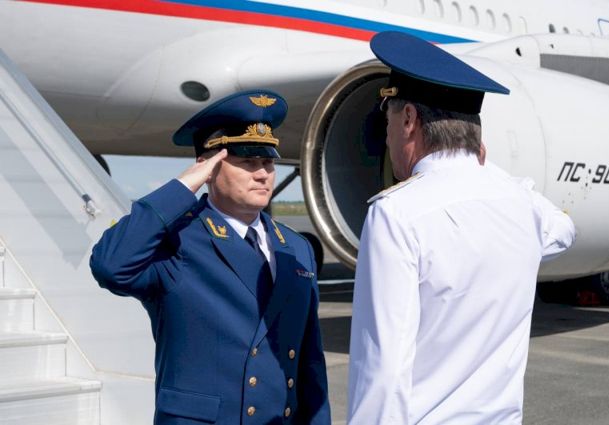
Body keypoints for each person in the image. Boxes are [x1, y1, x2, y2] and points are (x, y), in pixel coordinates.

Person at [347, 31, 576, 424]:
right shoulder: (522, 204)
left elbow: (383, 370)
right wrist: (483, 169)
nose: (386, 139)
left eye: (388, 123)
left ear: (409, 120)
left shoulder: (396, 214)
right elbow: (564, 230)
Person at [90, 90, 331, 425]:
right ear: (210, 166)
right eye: (248, 162)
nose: (263, 173)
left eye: (268, 162)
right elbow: (110, 265)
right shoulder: (178, 240)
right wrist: (183, 186)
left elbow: (310, 363)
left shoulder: (295, 247)